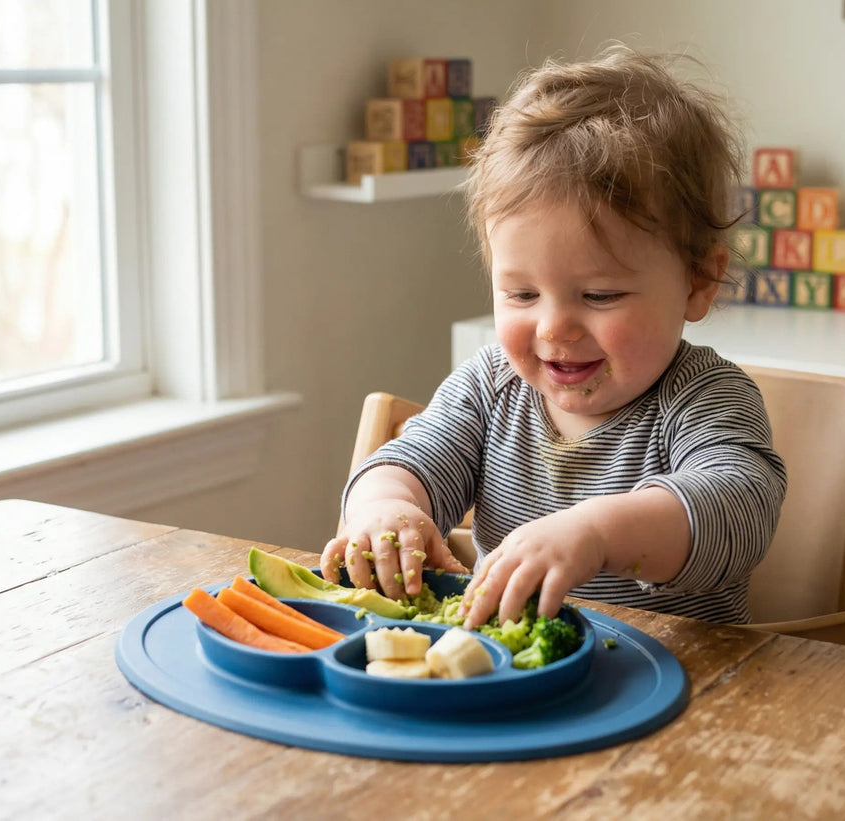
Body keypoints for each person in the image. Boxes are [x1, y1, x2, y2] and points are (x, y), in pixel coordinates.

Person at [321, 44, 787, 629]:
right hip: (514, 686)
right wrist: (386, 506)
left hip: (681, 690)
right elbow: (409, 461)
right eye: (521, 294)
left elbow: (738, 511)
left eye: (600, 295)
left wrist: (594, 534)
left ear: (699, 282)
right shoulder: (490, 387)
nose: (553, 328)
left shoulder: (705, 398)